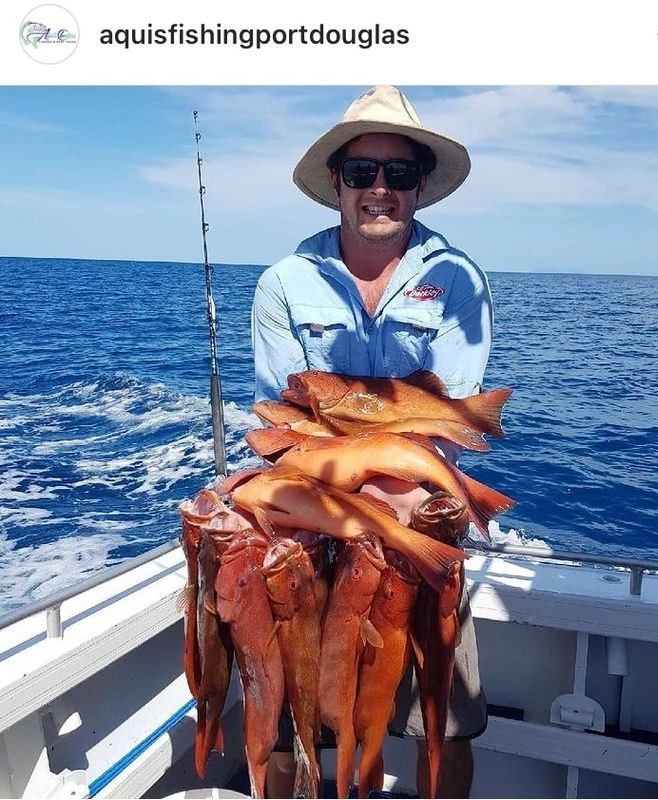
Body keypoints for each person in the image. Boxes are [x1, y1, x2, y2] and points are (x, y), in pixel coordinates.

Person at [251, 85, 492, 798]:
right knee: (300, 712)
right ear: (336, 184)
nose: (378, 188)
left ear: (420, 186)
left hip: (421, 508)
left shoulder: (457, 280)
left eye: (397, 174)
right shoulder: (284, 283)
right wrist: (378, 447)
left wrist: (351, 443)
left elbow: (449, 419)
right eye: (361, 173)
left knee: (441, 720)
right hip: (311, 522)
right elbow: (278, 418)